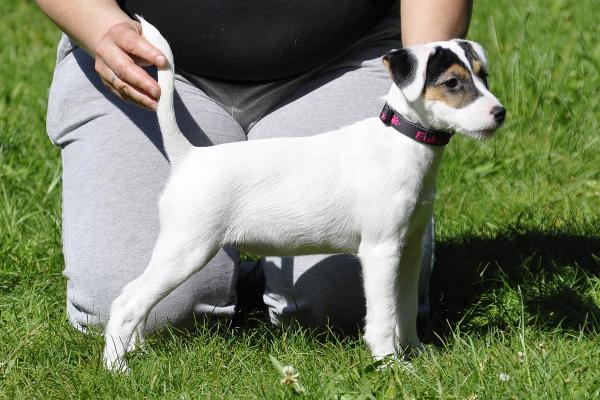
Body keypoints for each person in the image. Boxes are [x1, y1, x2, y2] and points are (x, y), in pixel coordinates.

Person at [36, 0, 473, 334]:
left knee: (343, 304)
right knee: (149, 304)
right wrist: (101, 27)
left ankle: (247, 269)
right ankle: (222, 274)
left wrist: (424, 76)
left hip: (346, 59)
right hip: (150, 62)